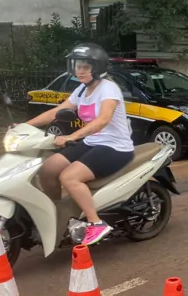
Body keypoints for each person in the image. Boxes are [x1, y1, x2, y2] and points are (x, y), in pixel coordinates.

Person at [25, 43, 135, 246]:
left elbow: (103, 120)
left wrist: (71, 136)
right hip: (92, 142)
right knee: (48, 169)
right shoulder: (82, 90)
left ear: (98, 68)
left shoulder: (108, 89)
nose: (80, 71)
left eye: (86, 67)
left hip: (115, 147)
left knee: (69, 177)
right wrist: (24, 125)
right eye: (77, 66)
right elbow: (56, 111)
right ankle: (58, 211)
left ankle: (96, 223)